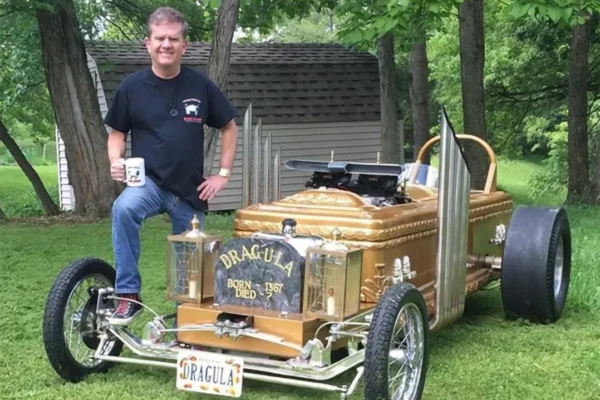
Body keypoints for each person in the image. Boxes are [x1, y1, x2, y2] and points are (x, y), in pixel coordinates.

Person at [103, 7, 238, 326]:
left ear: (184, 46)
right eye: (160, 38)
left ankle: (186, 318)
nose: (166, 44)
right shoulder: (131, 87)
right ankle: (128, 295)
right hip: (147, 183)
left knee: (190, 267)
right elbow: (116, 135)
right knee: (124, 209)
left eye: (173, 39)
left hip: (189, 191)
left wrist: (222, 175)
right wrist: (115, 162)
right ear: (147, 44)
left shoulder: (200, 86)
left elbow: (229, 127)